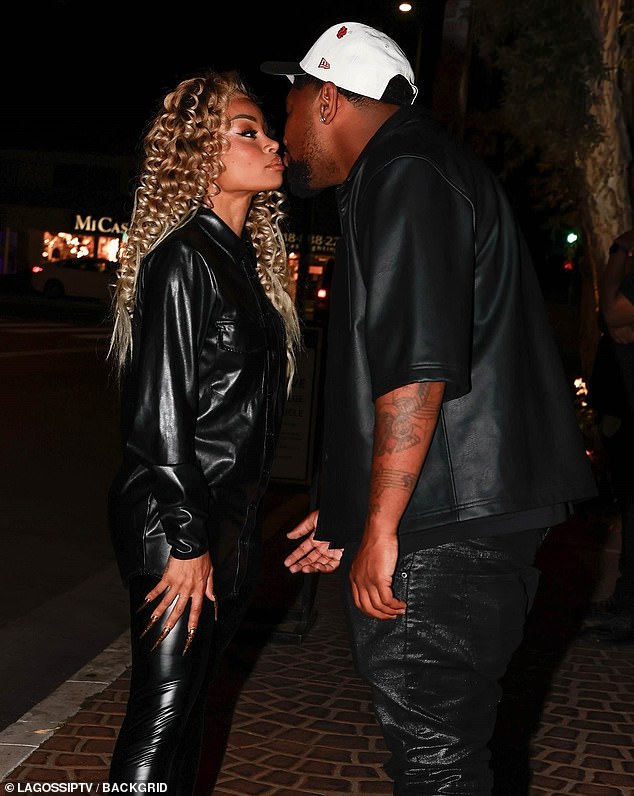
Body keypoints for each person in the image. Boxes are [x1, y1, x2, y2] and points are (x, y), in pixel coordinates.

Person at [261, 22, 598, 794]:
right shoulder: (416, 167)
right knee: (440, 752)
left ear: (329, 98)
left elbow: (416, 369)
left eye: (291, 102)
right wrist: (351, 511)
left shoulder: (406, 171)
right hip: (457, 516)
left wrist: (382, 523)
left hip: (445, 531)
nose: (285, 128)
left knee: (436, 760)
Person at [106, 69, 300, 791]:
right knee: (161, 715)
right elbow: (156, 421)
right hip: (177, 521)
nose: (271, 141)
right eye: (247, 132)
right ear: (200, 154)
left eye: (265, 129)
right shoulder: (186, 257)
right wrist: (188, 542)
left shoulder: (239, 261)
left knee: (190, 713)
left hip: (223, 518)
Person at [582, 229, 634, 642]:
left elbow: (613, 313)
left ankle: (628, 610)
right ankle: (623, 600)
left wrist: (621, 248)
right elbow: (612, 317)